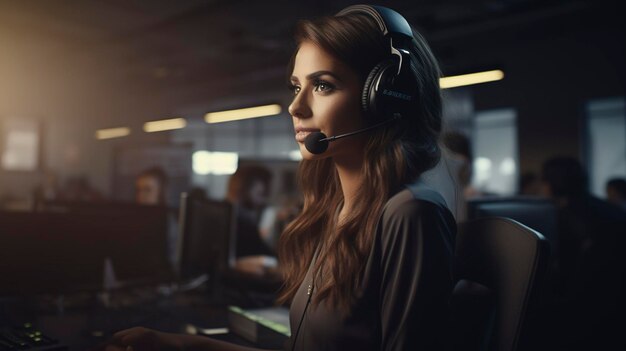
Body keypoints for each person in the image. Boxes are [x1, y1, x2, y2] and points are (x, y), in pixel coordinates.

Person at [101, 5, 455, 351]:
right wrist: (178, 344)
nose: (295, 107)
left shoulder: (410, 214)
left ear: (387, 97)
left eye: (323, 86)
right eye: (296, 86)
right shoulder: (338, 212)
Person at [536, 156, 625, 350]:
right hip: (614, 313)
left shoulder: (566, 217)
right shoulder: (605, 209)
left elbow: (564, 275)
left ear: (551, 183)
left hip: (581, 315)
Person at [225, 164, 279, 276]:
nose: (263, 200)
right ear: (244, 188)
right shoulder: (238, 221)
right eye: (260, 194)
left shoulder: (241, 217)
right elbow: (262, 252)